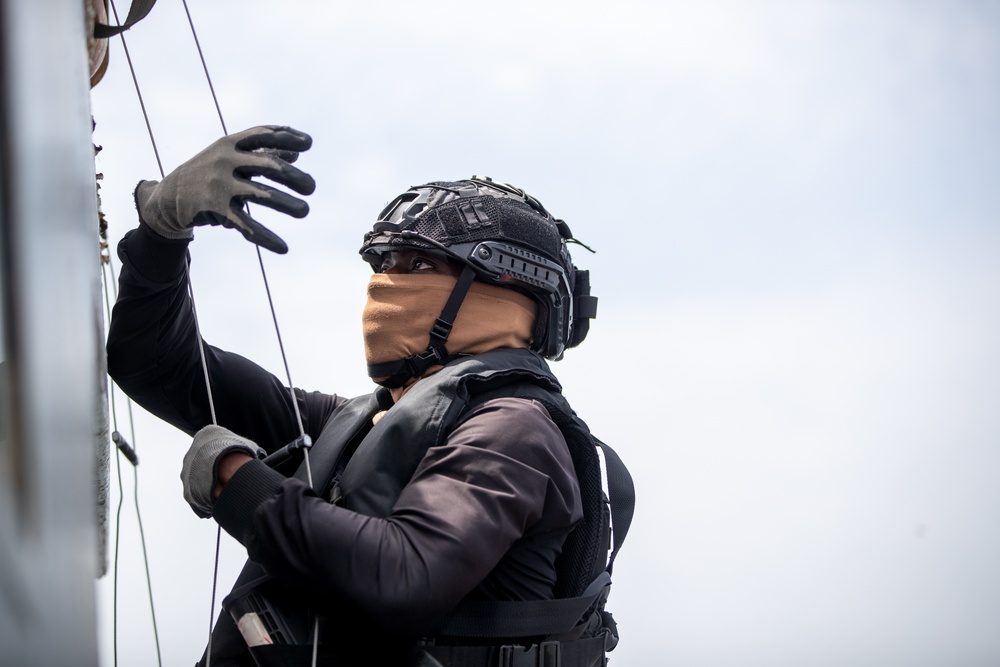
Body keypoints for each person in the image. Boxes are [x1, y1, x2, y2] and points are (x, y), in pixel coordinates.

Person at [107, 125, 631, 667]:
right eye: (383, 264)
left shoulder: (514, 429)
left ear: (506, 292)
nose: (385, 283)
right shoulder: (357, 423)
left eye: (419, 266)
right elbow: (157, 365)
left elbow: (400, 578)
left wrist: (235, 478)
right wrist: (161, 233)